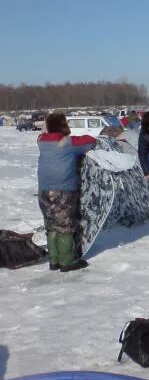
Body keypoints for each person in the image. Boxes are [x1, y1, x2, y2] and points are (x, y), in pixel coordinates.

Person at [37, 112, 96, 272]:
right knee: (65, 225)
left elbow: (42, 134)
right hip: (63, 191)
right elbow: (91, 141)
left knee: (51, 225)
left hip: (43, 190)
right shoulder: (68, 143)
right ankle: (67, 262)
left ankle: (54, 260)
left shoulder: (42, 141)